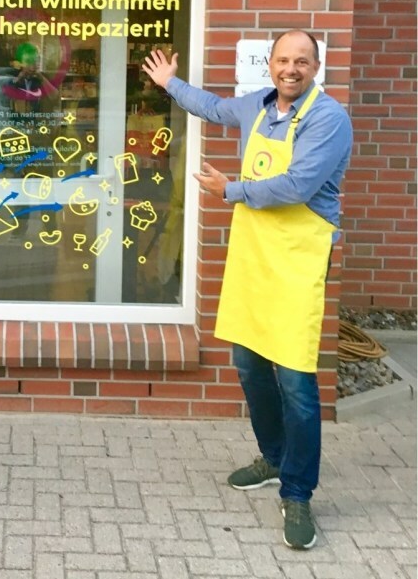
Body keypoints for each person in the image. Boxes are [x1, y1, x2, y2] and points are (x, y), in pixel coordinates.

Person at [142, 30, 352, 550]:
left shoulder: (328, 119)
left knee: (298, 383)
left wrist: (229, 190)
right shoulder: (256, 106)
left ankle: (298, 493)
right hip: (255, 257)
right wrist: (171, 84)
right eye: (283, 60)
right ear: (270, 63)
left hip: (298, 262)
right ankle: (273, 458)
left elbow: (297, 186)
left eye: (302, 61)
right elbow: (212, 107)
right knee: (248, 365)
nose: (291, 69)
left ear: (316, 66)